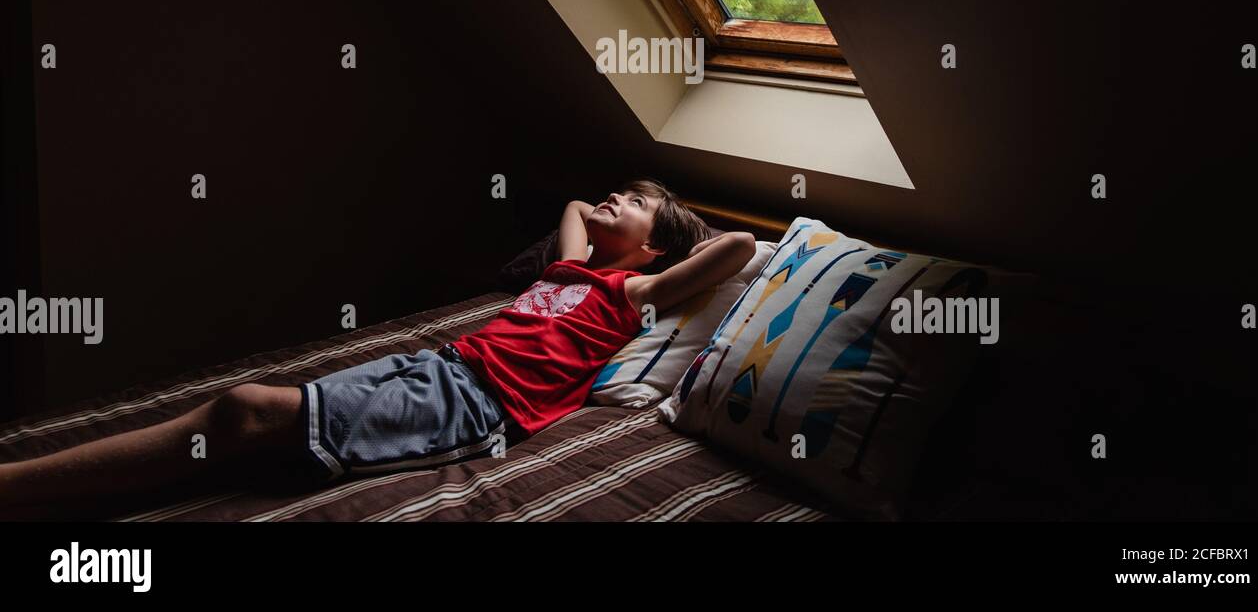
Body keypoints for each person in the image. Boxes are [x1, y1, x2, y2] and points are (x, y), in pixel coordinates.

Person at [0, 178, 756, 520]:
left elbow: (740, 244)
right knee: (260, 429)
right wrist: (604, 212)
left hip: (476, 401)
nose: (611, 200)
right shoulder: (568, 268)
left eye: (633, 203)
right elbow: (569, 209)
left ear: (653, 246)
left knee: (242, 410)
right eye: (615, 192)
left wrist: (664, 240)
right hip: (439, 364)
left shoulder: (629, 294)